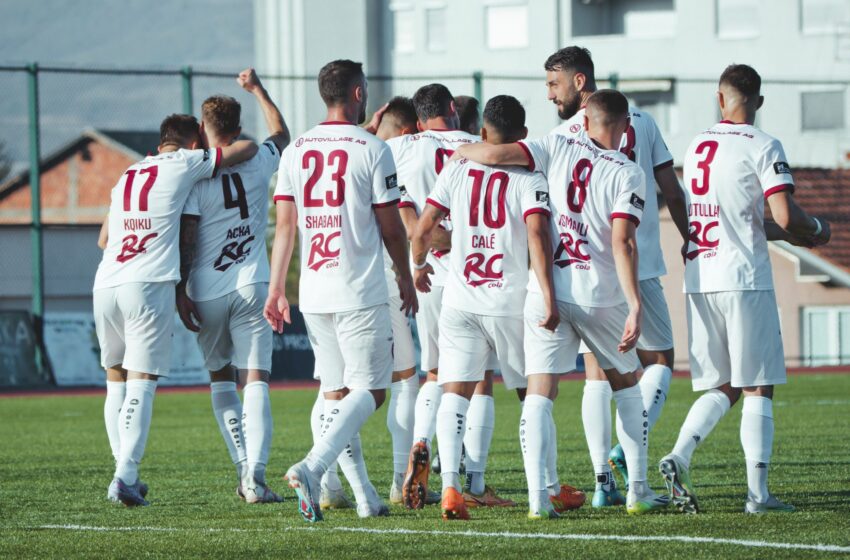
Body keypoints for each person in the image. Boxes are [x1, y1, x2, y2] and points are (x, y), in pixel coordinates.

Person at [456, 89, 670, 516]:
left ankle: (538, 501)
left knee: (539, 393)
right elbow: (623, 241)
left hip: (548, 290)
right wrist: (634, 303)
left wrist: (461, 148)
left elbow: (497, 156)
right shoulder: (627, 171)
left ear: (586, 121)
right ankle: (638, 491)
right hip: (598, 296)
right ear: (625, 126)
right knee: (626, 386)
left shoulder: (554, 144)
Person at [658, 64, 831, 514]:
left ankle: (679, 454)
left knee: (723, 384)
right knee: (759, 386)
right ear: (758, 100)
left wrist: (793, 232)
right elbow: (786, 215)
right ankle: (758, 496)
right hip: (743, 279)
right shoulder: (763, 144)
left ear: (720, 99)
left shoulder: (696, 145)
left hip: (700, 278)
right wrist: (817, 229)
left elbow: (740, 221)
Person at [264, 59, 416, 522]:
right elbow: (392, 228)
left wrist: (277, 290)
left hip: (314, 288)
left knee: (334, 395)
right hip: (359, 289)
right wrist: (405, 276)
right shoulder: (372, 148)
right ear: (356, 94)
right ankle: (312, 467)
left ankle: (366, 497)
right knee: (371, 392)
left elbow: (285, 226)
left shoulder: (295, 150)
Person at [541, 46, 689, 506]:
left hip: (584, 271)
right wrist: (690, 238)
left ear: (580, 83)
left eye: (553, 84)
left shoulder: (563, 135)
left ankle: (603, 482)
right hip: (636, 263)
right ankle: (628, 459)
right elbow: (670, 187)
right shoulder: (641, 121)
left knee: (596, 377)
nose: (550, 94)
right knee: (658, 363)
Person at [94, 114, 257, 506]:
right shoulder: (185, 162)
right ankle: (125, 478)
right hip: (146, 284)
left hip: (106, 282)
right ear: (190, 142)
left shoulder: (129, 174)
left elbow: (103, 239)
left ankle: (123, 470)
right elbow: (245, 149)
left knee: (114, 378)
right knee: (142, 381)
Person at [411, 95, 558, 520]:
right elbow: (537, 238)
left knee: (453, 389)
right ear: (524, 136)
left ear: (482, 133)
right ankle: (546, 488)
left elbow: (423, 229)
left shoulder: (456, 168)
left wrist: (419, 266)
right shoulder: (531, 179)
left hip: (460, 298)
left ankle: (452, 488)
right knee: (535, 393)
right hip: (507, 301)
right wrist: (547, 295)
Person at [175, 68, 290, 503]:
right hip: (252, 283)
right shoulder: (260, 160)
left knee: (222, 380)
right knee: (256, 380)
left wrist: (180, 290)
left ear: (203, 132)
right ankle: (256, 479)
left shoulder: (194, 175)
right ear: (238, 129)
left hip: (206, 288)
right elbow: (280, 133)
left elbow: (187, 240)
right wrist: (258, 90)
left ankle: (243, 468)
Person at [397, 83, 513, 509]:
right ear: (453, 109)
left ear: (419, 116)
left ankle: (421, 441)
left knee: (433, 373)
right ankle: (475, 483)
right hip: (472, 276)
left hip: (427, 274)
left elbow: (395, 197)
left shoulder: (404, 147)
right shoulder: (478, 146)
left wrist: (418, 246)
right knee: (479, 381)